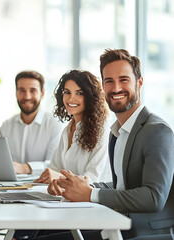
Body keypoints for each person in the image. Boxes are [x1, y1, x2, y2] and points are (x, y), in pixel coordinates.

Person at [48, 49, 174, 239]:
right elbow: (122, 187)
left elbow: (153, 198)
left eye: (124, 80)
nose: (115, 88)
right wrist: (72, 186)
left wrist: (91, 194)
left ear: (139, 83)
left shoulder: (156, 130)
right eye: (109, 81)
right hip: (115, 224)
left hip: (142, 232)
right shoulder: (117, 132)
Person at [34, 70, 111, 184]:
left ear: (90, 97)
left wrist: (59, 178)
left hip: (93, 200)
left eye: (79, 93)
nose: (71, 99)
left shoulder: (102, 130)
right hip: (68, 198)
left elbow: (92, 179)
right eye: (67, 92)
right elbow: (54, 168)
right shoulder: (68, 129)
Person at [0, 71, 63, 175]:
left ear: (42, 93)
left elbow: (55, 166)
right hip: (9, 187)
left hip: (43, 187)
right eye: (22, 90)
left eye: (33, 90)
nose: (27, 96)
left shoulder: (55, 124)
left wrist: (26, 168)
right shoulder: (7, 125)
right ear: (16, 93)